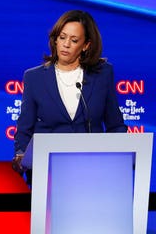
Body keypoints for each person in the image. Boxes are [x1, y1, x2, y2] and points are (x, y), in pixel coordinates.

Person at [12, 10, 127, 184]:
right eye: (62, 37)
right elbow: (24, 128)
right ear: (55, 39)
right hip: (48, 172)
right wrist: (21, 155)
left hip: (93, 170)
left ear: (86, 45)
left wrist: (119, 159)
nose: (66, 44)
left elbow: (115, 124)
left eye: (74, 40)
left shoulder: (102, 74)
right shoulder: (34, 77)